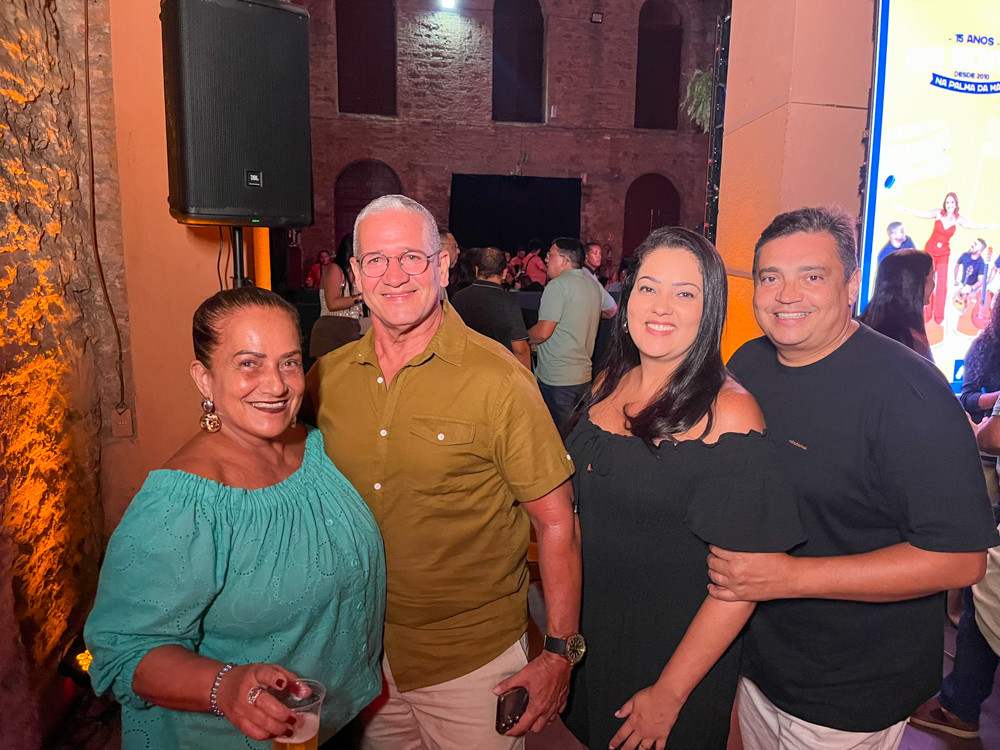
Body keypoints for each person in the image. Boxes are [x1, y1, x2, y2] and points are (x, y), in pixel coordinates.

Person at [709, 206, 999, 749]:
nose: (786, 295)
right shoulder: (748, 364)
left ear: (849, 286)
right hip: (759, 660)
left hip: (850, 687)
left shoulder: (909, 392)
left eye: (811, 276)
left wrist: (790, 578)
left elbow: (961, 559)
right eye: (770, 277)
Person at [306, 195, 581, 750]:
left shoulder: (499, 380)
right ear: (354, 273)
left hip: (473, 665)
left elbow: (557, 522)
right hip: (362, 659)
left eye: (412, 256)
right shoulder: (325, 380)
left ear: (443, 265)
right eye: (376, 260)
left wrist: (560, 653)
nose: (395, 276)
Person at [84, 287, 386, 749]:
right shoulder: (183, 505)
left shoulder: (313, 448)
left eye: (289, 362)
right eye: (249, 363)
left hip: (335, 724)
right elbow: (125, 652)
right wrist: (224, 686)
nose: (276, 385)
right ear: (204, 379)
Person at [560, 227, 804, 750]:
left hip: (673, 659)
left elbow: (740, 583)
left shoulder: (730, 413)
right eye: (648, 287)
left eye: (685, 293)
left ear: (709, 310)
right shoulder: (609, 382)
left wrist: (669, 694)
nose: (661, 306)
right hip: (600, 633)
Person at [529, 238, 614, 431]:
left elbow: (543, 332)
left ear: (564, 260)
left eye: (550, 255)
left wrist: (523, 338)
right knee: (576, 435)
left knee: (557, 438)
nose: (546, 259)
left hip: (556, 380)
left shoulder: (557, 286)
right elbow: (611, 310)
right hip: (583, 378)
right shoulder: (592, 284)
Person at [899, 192, 995, 324]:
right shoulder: (938, 213)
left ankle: (939, 315)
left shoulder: (958, 219)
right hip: (931, 250)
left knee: (942, 284)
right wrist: (906, 210)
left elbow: (971, 224)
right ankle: (927, 313)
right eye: (947, 202)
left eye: (952, 202)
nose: (949, 205)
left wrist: (987, 226)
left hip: (944, 253)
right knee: (927, 280)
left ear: (956, 204)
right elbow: (923, 214)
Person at [451, 246, 532, 370]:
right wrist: (527, 378)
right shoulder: (507, 302)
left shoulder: (458, 298)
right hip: (498, 372)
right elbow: (520, 349)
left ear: (476, 270)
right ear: (504, 273)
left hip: (465, 370)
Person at [858, 248, 934, 359]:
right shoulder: (912, 343)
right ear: (918, 284)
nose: (934, 284)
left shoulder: (858, 327)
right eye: (932, 277)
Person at [309, 236, 365, 358]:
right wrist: (361, 297)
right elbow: (332, 304)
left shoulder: (358, 272)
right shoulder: (335, 269)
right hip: (332, 329)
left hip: (351, 329)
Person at [953, 238, 988, 310]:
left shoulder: (981, 263)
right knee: (954, 304)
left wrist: (970, 288)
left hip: (971, 289)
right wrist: (955, 279)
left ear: (979, 251)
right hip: (961, 285)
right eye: (974, 243)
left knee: (968, 309)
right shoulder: (965, 255)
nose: (972, 245)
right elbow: (957, 265)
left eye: (975, 245)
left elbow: (980, 281)